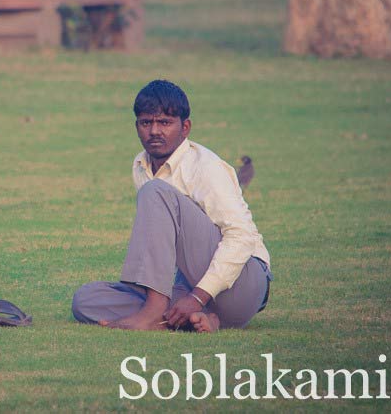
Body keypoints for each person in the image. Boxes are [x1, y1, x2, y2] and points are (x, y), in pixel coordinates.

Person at [72, 80, 272, 333]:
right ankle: (200, 319)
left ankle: (155, 314)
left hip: (242, 286)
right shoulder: (141, 165)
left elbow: (242, 237)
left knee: (155, 191)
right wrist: (188, 297)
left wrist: (198, 296)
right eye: (146, 123)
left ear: (185, 127)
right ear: (137, 127)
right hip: (189, 287)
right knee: (86, 300)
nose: (155, 131)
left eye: (165, 123)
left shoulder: (205, 167)